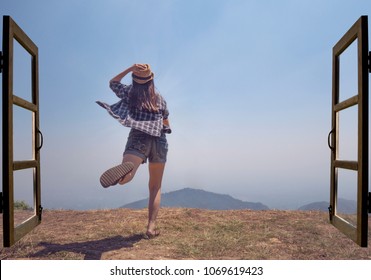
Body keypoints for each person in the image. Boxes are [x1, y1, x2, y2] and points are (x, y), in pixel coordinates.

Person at [96, 63, 171, 239]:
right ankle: (151, 228)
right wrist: (163, 129)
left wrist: (130, 69)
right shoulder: (160, 99)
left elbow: (113, 82)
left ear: (135, 80)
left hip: (139, 137)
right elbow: (167, 121)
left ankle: (125, 171)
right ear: (151, 80)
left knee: (127, 175)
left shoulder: (130, 92)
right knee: (155, 186)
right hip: (159, 140)